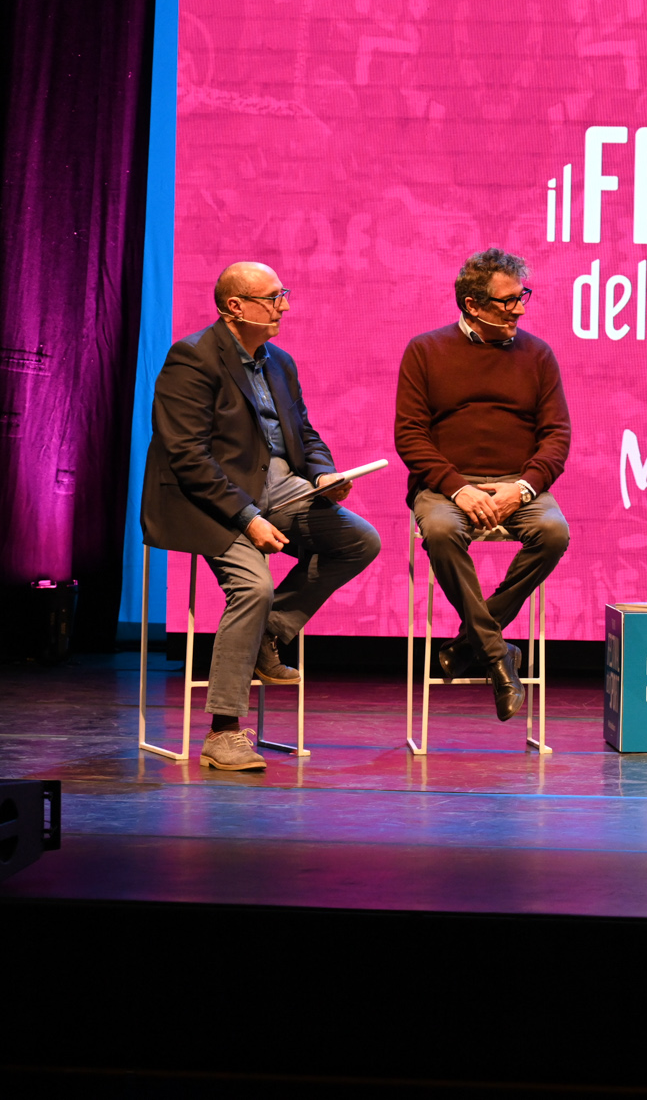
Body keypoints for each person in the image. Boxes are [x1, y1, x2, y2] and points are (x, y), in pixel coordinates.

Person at [141, 262, 382, 771]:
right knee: (252, 587)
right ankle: (224, 732)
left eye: (283, 295)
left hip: (279, 488)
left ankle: (269, 632)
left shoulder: (279, 363)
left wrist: (323, 475)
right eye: (273, 298)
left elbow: (305, 433)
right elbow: (187, 456)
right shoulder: (193, 358)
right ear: (235, 306)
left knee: (359, 540)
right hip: (209, 499)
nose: (284, 307)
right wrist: (248, 518)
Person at [395, 248, 572, 721]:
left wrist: (524, 488)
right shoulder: (426, 351)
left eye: (522, 298)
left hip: (517, 484)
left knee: (554, 533)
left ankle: (471, 643)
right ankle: (497, 654)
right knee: (440, 531)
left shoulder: (537, 354)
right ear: (473, 305)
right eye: (507, 301)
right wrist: (458, 488)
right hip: (448, 486)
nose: (520, 308)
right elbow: (409, 436)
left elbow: (557, 436)